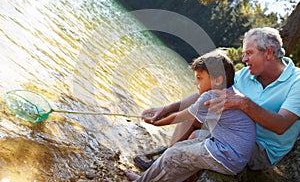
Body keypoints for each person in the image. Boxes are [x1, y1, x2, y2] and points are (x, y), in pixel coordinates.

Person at [137, 27, 300, 173]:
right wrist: (166, 109)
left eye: (249, 53)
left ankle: (163, 168)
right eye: (244, 54)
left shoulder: (297, 82)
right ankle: (161, 165)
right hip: (230, 130)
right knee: (192, 115)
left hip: (260, 148)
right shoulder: (245, 74)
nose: (244, 60)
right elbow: (208, 94)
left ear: (269, 53)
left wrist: (244, 103)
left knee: (196, 136)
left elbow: (281, 125)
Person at [125, 50, 256, 181]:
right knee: (180, 147)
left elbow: (180, 117)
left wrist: (155, 121)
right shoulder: (228, 93)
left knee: (172, 154)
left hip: (226, 156)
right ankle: (144, 178)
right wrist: (162, 112)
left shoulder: (211, 97)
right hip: (232, 156)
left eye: (199, 78)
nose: (195, 82)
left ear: (218, 80)